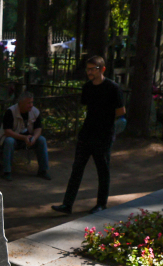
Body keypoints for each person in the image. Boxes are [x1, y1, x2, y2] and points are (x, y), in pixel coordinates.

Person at [52, 55, 126, 215]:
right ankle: (67, 205)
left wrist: (107, 122)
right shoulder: (87, 87)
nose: (90, 72)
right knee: (77, 169)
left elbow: (121, 112)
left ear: (102, 69)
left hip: (104, 135)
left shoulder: (113, 88)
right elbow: (88, 107)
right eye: (88, 69)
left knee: (103, 170)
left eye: (93, 69)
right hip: (86, 134)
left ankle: (101, 204)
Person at [0, 92, 51, 181]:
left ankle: (43, 171)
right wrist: (23, 138)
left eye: (32, 102)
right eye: (28, 103)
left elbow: (38, 128)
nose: (31, 105)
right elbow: (7, 132)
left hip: (28, 139)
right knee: (9, 141)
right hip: (14, 138)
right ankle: (7, 172)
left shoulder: (35, 111)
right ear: (21, 103)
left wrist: (34, 138)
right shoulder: (11, 112)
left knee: (42, 140)